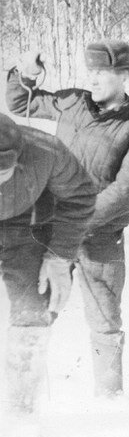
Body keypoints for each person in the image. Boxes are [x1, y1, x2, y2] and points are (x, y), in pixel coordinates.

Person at [6, 40, 129, 396]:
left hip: (101, 239)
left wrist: (75, 220)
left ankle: (108, 401)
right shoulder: (72, 101)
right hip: (51, 233)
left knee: (105, 321)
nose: (93, 79)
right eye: (91, 71)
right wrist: (24, 74)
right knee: (34, 312)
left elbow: (126, 191)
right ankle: (21, 403)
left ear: (125, 74)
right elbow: (20, 103)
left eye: (103, 72)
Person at [0, 113, 96, 413]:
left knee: (33, 314)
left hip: (27, 228)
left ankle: (20, 411)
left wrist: (59, 256)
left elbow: (80, 197)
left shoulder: (46, 151)